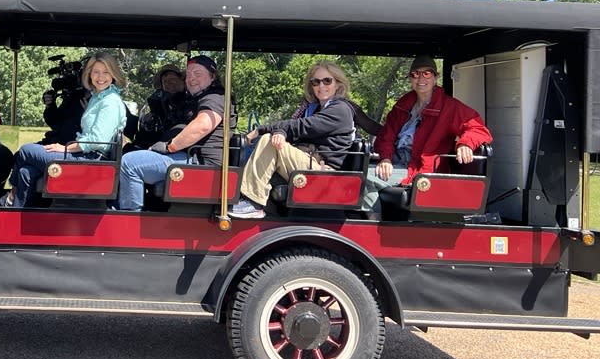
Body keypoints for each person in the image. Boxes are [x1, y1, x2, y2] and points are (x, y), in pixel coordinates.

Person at [362, 55, 492, 212]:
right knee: (355, 172)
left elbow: (478, 128)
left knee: (363, 179)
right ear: (410, 79)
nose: (420, 78)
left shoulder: (449, 107)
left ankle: (372, 225)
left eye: (427, 73)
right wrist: (385, 159)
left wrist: (465, 144)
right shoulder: (403, 104)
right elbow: (386, 136)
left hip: (419, 169)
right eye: (415, 74)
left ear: (436, 77)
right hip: (395, 162)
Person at [230, 61, 357, 219]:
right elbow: (297, 129)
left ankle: (253, 202)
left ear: (338, 84)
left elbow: (303, 126)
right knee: (271, 140)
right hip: (310, 161)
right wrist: (281, 132)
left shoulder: (340, 109)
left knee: (268, 140)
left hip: (324, 171)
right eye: (315, 82)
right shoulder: (316, 108)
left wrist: (260, 130)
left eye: (327, 80)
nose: (321, 85)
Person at [1, 52, 127, 208]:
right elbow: (57, 121)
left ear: (113, 74)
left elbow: (95, 141)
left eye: (106, 72)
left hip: (90, 160)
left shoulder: (110, 102)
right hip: (84, 155)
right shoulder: (97, 97)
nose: (100, 77)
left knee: (26, 151)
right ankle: (20, 218)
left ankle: (9, 199)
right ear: (89, 75)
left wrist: (64, 148)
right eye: (96, 72)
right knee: (26, 171)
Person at [117, 54, 234, 211]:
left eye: (198, 73)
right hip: (190, 156)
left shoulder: (215, 97)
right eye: (189, 74)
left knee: (130, 163)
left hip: (201, 163)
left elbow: (203, 125)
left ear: (213, 77)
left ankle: (129, 219)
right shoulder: (193, 99)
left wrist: (169, 147)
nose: (191, 78)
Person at [128, 63, 190, 150]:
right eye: (165, 82)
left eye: (172, 79)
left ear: (183, 81)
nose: (169, 83)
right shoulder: (158, 107)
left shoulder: (191, 102)